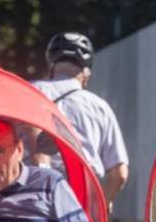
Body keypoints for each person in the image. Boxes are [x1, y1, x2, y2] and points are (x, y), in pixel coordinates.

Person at [31, 32, 129, 205]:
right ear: (86, 73)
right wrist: (103, 204)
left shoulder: (30, 92)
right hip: (81, 200)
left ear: (51, 67)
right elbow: (120, 174)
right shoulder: (100, 107)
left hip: (35, 198)